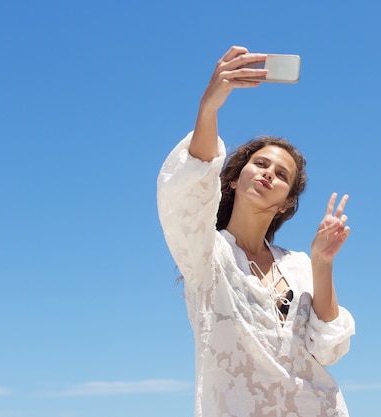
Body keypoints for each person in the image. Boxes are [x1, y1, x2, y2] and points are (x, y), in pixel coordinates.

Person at [157, 46, 355, 417]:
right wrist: (209, 106)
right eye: (260, 163)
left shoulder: (297, 264)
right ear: (233, 179)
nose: (268, 173)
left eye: (282, 175)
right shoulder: (205, 254)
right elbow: (187, 192)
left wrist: (322, 262)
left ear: (285, 203)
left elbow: (328, 347)